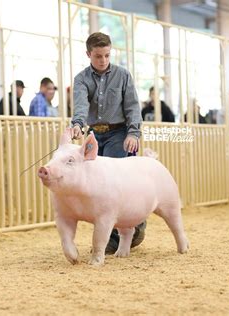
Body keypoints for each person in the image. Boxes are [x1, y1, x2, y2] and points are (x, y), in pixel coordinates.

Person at [69, 32, 145, 255]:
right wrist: (78, 125)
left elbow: (132, 107)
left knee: (113, 183)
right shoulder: (81, 79)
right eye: (98, 56)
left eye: (106, 55)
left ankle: (130, 228)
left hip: (118, 134)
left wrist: (134, 134)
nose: (103, 60)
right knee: (95, 185)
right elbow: (81, 105)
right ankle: (112, 234)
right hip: (94, 134)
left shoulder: (123, 75)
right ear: (88, 54)